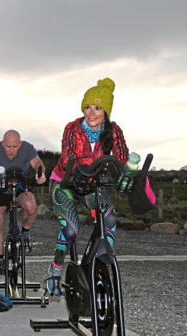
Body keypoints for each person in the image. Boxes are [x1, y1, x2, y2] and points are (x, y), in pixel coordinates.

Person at [46, 77, 130, 295]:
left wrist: (127, 173)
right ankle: (55, 270)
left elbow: (121, 158)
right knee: (71, 229)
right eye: (88, 107)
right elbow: (68, 157)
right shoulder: (72, 128)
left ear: (106, 111)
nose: (91, 113)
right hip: (65, 182)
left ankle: (99, 263)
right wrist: (82, 169)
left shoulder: (114, 131)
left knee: (109, 220)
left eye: (98, 108)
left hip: (91, 184)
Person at [0, 130, 46, 274]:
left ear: (20, 144)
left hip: (21, 187)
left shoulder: (27, 148)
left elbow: (38, 163)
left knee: (31, 205)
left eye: (15, 147)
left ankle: (26, 231)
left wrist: (40, 172)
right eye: (8, 146)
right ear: (3, 144)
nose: (11, 150)